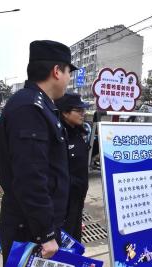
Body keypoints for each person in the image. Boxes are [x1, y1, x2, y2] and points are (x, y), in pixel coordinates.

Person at [0, 40, 77, 265]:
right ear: (56, 71)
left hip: (36, 226)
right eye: (69, 71)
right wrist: (46, 234)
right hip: (29, 232)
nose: (70, 78)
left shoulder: (42, 105)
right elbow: (30, 177)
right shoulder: (29, 108)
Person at [55, 93, 90, 242]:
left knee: (75, 241)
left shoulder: (79, 132)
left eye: (83, 110)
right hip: (63, 203)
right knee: (63, 242)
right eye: (79, 110)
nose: (83, 113)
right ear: (64, 112)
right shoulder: (58, 134)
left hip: (78, 199)